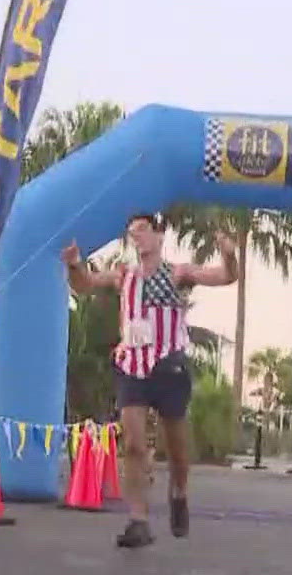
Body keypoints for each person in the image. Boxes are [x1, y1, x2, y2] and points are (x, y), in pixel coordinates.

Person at [61, 215, 238, 548]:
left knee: (177, 450)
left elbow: (226, 276)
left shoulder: (177, 273)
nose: (137, 237)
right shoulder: (123, 275)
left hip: (169, 366)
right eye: (132, 233)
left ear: (160, 235)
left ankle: (179, 492)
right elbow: (84, 285)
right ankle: (138, 520)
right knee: (133, 444)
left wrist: (229, 255)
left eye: (143, 230)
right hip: (132, 365)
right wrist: (73, 265)